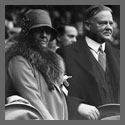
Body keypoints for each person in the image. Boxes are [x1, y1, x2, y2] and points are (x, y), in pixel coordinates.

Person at [5, 9, 100, 120]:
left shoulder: (55, 60)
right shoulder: (19, 60)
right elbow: (32, 98)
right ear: (28, 33)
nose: (44, 35)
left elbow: (60, 98)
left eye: (47, 31)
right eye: (38, 30)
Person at [57, 5, 120, 109]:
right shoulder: (66, 53)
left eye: (111, 23)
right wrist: (77, 106)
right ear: (87, 25)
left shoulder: (120, 56)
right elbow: (57, 91)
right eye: (103, 23)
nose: (109, 27)